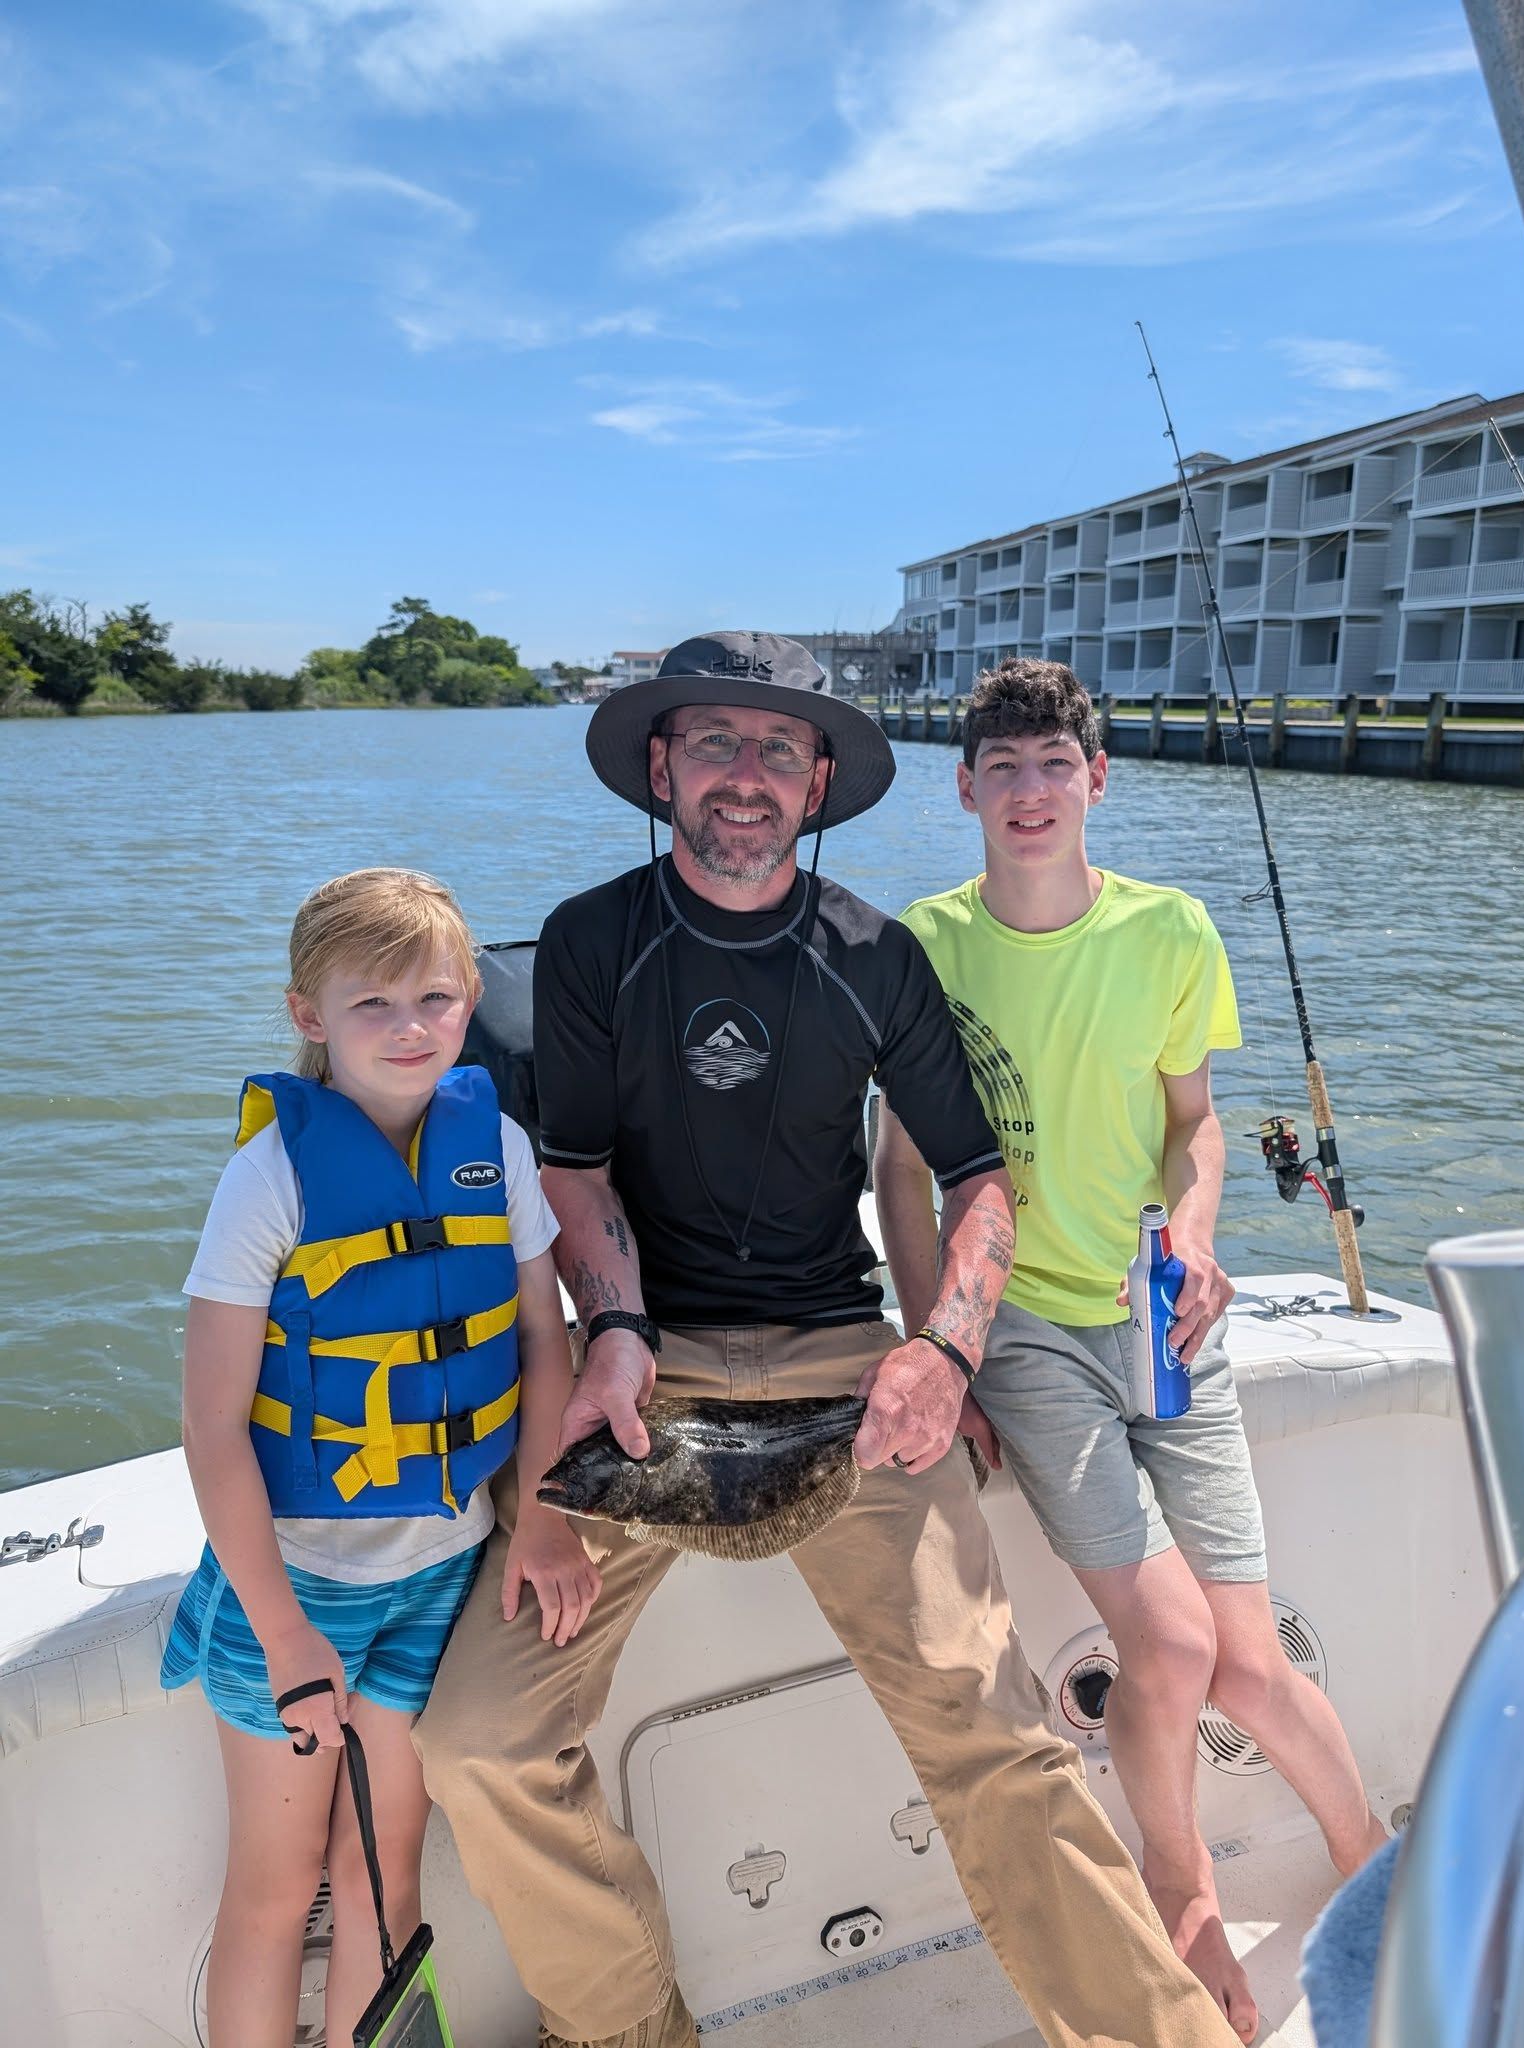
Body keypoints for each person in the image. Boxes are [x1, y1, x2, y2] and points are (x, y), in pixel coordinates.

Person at [416, 632, 1237, 2048]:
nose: (746, 777)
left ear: (817, 784)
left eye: (778, 750)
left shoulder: (878, 955)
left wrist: (946, 1351)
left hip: (847, 1368)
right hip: (638, 1372)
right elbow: (574, 1172)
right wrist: (611, 1329)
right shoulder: (590, 941)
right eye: (718, 746)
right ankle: (626, 2026)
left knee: (995, 1741)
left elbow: (978, 1180)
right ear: (661, 766)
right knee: (477, 1745)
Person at [876, 658, 1387, 2044]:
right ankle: (1182, 1894)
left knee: (1249, 1661)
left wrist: (1203, 1231)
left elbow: (1194, 1122)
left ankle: (1379, 1885)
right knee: (1161, 1646)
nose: (1029, 792)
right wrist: (949, 1352)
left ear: (1095, 779)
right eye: (1004, 769)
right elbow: (902, 1172)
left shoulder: (1172, 930)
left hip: (1162, 1312)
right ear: (963, 788)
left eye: (1055, 766)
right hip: (1026, 1325)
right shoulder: (919, 943)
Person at [160, 867, 598, 2046]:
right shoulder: (268, 1179)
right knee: (274, 1883)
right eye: (374, 1004)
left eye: (437, 1000)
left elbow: (545, 1344)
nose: (411, 1029)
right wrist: (287, 1634)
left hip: (438, 1575)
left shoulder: (492, 1142)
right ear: (310, 1014)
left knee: (383, 1878)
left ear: (468, 1004)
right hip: (293, 1589)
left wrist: (545, 1513)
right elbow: (211, 1428)